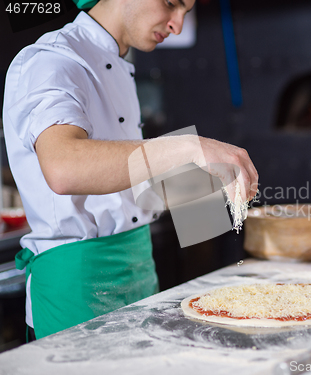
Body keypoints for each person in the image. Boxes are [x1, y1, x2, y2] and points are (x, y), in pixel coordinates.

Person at [2, 0, 258, 341]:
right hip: (77, 285)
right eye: (171, 4)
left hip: (138, 272)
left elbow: (122, 183)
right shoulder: (51, 61)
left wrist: (212, 186)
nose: (177, 25)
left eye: (186, 12)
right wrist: (190, 147)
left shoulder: (120, 64)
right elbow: (64, 169)